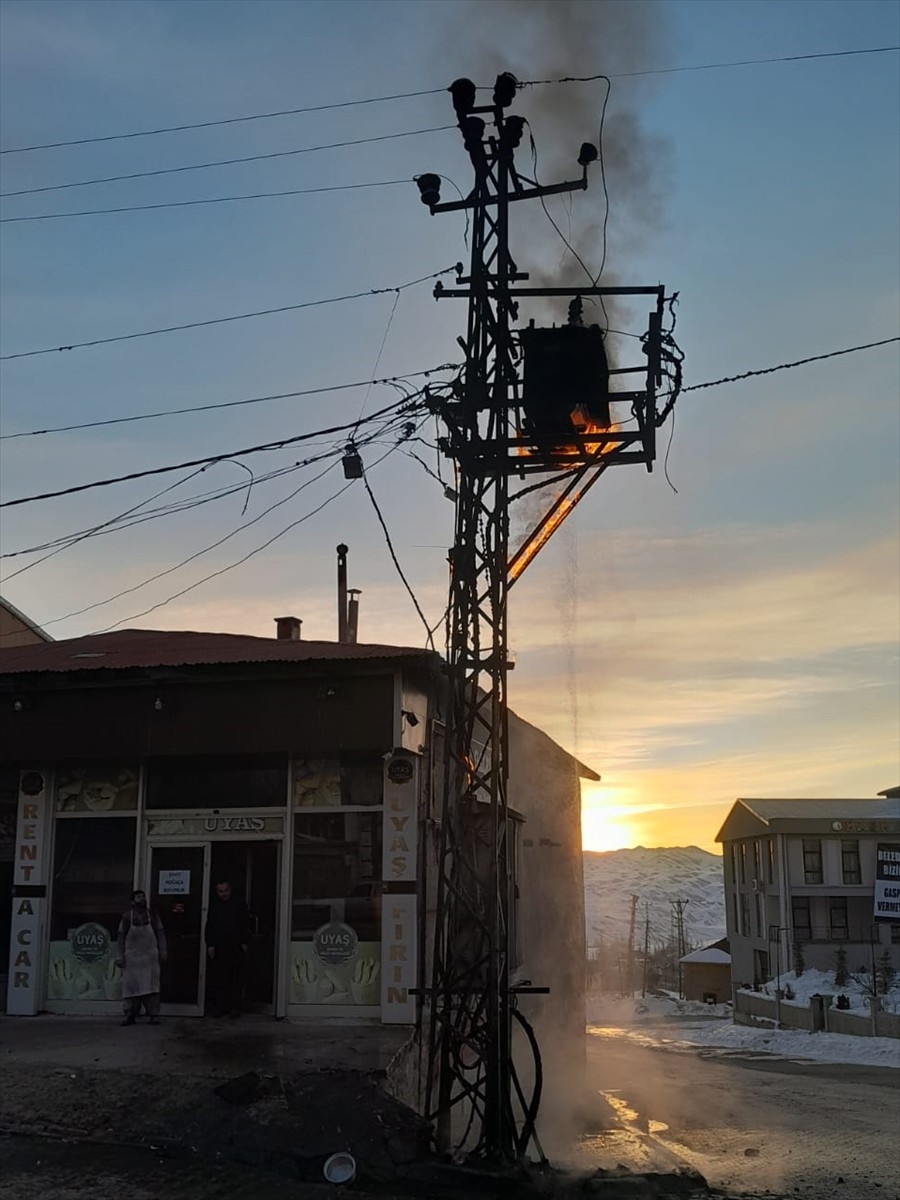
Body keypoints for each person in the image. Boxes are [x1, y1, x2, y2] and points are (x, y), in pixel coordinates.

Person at [116, 889, 166, 1026]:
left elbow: (160, 933)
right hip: (132, 958)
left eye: (143, 897)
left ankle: (154, 1014)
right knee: (130, 987)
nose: (142, 899)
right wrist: (119, 956)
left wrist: (163, 951)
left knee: (152, 987)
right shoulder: (126, 917)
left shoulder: (153, 916)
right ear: (132, 901)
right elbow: (120, 938)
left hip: (150, 957)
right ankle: (129, 1014)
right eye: (138, 897)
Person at [204, 879, 251, 1018]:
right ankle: (221, 1006)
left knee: (236, 977)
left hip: (235, 945)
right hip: (220, 946)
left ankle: (235, 1006)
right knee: (220, 978)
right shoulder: (215, 905)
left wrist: (244, 942)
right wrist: (210, 944)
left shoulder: (239, 904)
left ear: (230, 890)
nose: (223, 894)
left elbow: (245, 923)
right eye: (220, 891)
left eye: (225, 891)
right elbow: (210, 925)